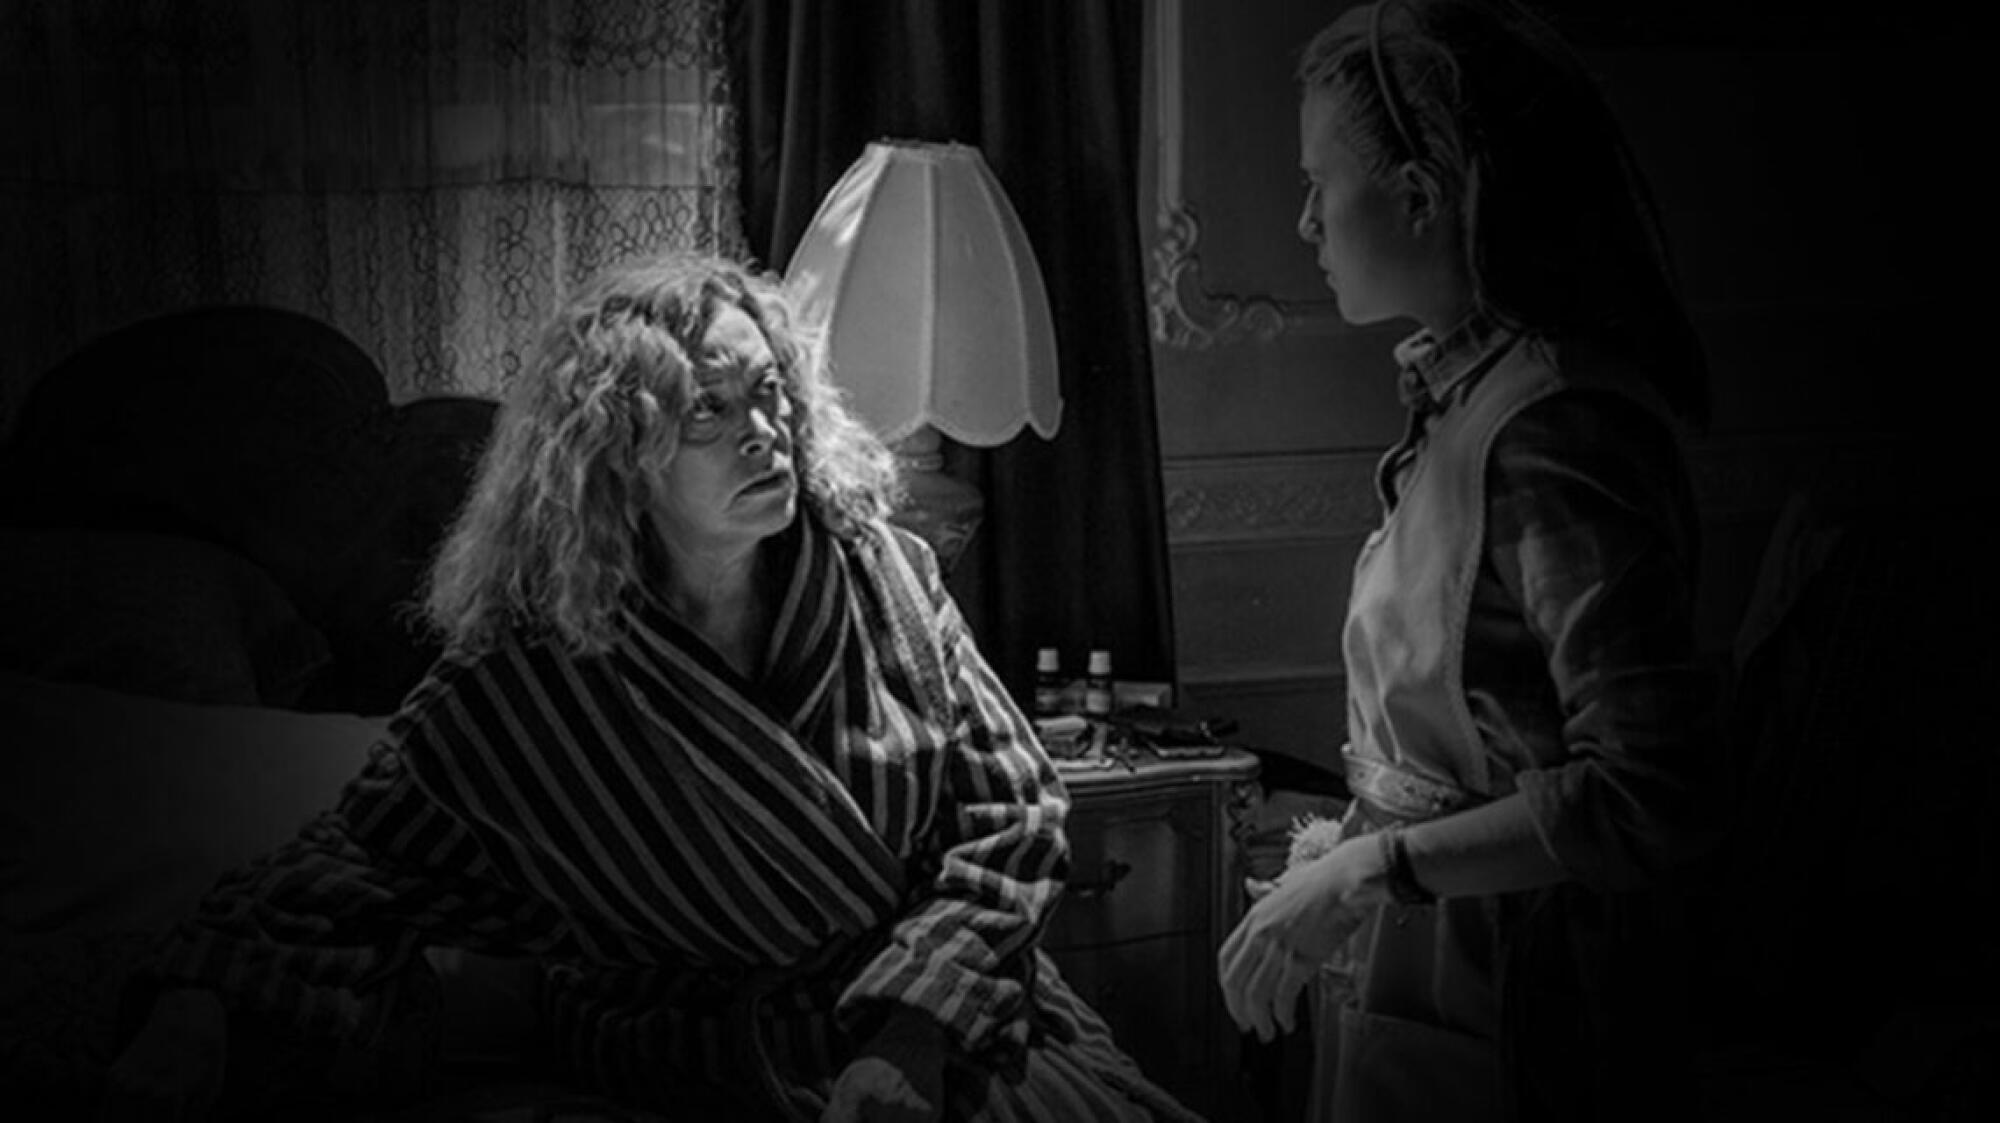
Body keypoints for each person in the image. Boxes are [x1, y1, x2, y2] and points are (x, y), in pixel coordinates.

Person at [100, 252, 1202, 1123]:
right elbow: (353, 864)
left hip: (940, 1013)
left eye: (768, 394)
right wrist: (196, 1008)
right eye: (708, 414)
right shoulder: (530, 680)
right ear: (615, 456)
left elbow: (1014, 810)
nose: (764, 432)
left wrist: (910, 1032)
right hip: (716, 1056)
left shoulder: (884, 574)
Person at [1215, 2, 1726, 1120]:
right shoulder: (1462, 403)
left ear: (1418, 191)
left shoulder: (1553, 428)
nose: (1302, 220)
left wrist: (1372, 870)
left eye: (1319, 181)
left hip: (1528, 998)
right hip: (1434, 957)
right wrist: (1341, 854)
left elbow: (1648, 789)